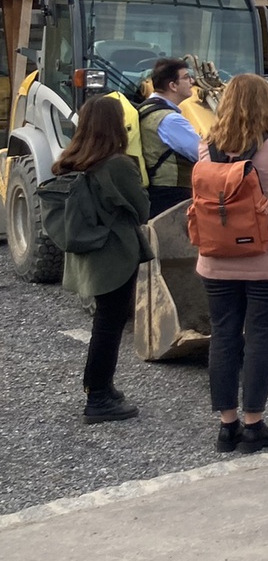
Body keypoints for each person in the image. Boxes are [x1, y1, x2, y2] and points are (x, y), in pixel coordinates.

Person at [197, 74, 268, 455]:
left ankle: (227, 426)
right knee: (260, 337)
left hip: (216, 257)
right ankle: (254, 425)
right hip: (267, 260)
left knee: (223, 335)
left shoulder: (205, 146)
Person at [51, 95, 150, 424]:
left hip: (89, 254)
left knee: (103, 323)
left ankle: (99, 386)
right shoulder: (117, 165)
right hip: (115, 257)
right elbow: (142, 209)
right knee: (109, 325)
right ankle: (99, 397)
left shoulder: (71, 161)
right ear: (114, 125)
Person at [138, 57, 201, 216]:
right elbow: (201, 154)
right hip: (172, 196)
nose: (192, 81)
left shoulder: (147, 108)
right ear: (173, 86)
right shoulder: (170, 119)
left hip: (157, 192)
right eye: (186, 77)